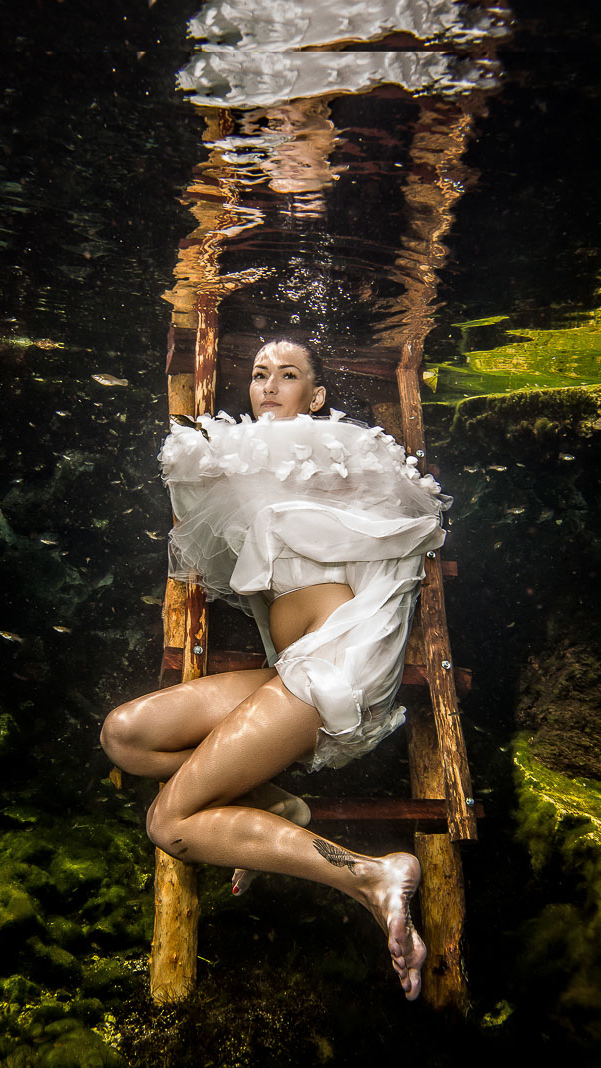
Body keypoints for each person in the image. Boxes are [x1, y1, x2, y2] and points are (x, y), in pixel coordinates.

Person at [100, 339, 450, 1000]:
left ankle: (368, 875)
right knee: (125, 736)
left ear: (316, 397)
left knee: (168, 825)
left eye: (288, 376)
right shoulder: (246, 467)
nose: (268, 386)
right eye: (260, 374)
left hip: (333, 668)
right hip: (288, 668)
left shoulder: (335, 457)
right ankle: (279, 805)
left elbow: (405, 522)